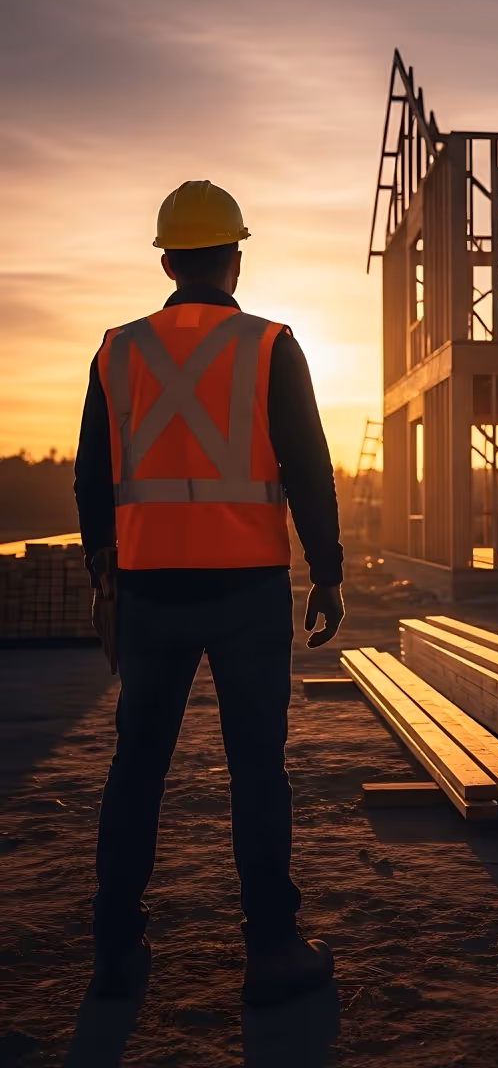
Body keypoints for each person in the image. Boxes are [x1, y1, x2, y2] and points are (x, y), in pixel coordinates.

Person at [74, 180, 344, 1006]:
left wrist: (104, 574)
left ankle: (116, 953)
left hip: (151, 593)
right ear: (234, 257)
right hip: (247, 592)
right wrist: (327, 569)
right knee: (258, 770)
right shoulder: (270, 345)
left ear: (166, 260)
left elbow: (93, 476)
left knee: (137, 768)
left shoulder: (117, 350)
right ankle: (271, 948)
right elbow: (307, 465)